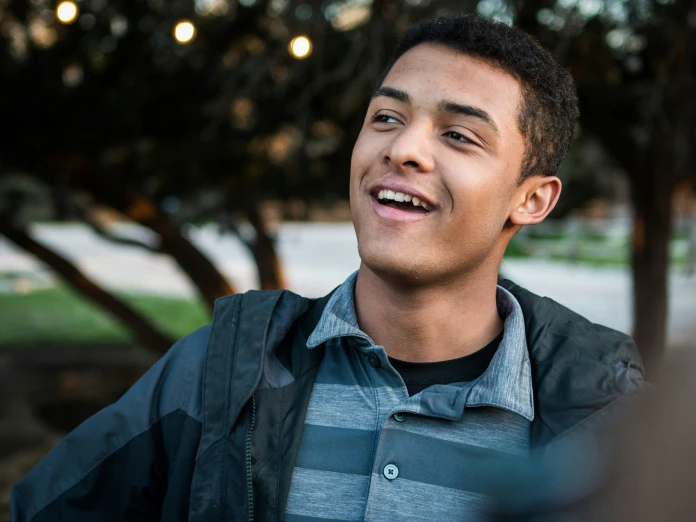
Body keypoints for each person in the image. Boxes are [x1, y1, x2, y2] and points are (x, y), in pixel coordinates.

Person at [11, 14, 644, 522]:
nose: (403, 149)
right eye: (386, 118)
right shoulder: (219, 376)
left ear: (530, 199)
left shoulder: (606, 421)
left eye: (459, 135)